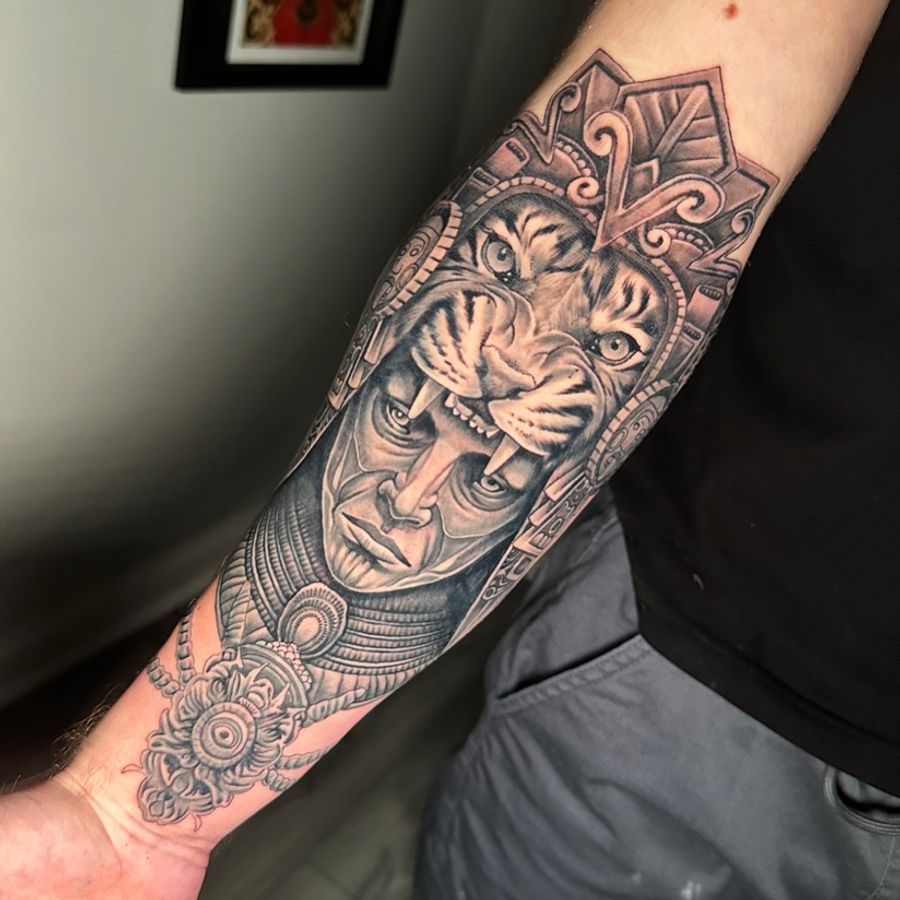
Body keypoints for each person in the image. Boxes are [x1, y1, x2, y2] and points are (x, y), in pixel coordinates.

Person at [1, 1, 896, 897]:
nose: (409, 499)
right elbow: (716, 63)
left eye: (488, 474)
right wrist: (133, 819)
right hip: (701, 659)